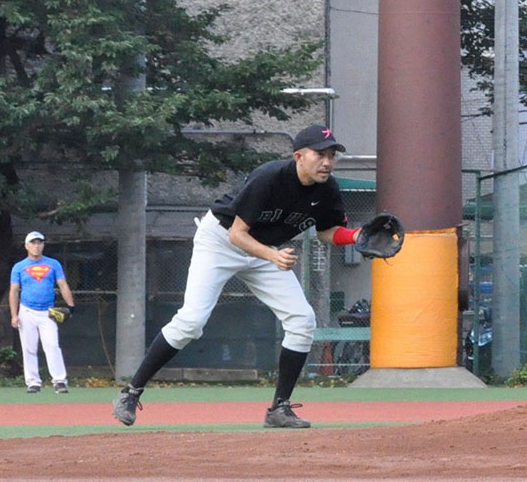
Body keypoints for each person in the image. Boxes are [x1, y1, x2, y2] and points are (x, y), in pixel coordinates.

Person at [113, 124, 365, 429]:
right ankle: (130, 393)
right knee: (191, 322)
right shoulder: (269, 177)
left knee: (302, 320)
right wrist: (272, 256)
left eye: (332, 155)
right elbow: (237, 234)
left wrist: (356, 236)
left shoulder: (328, 190)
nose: (327, 162)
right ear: (299, 156)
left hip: (264, 250)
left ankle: (279, 409)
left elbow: (326, 231)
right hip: (221, 241)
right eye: (320, 154)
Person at [9, 231, 75, 394]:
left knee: (52, 346)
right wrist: (14, 315)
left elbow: (63, 285)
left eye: (39, 243)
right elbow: (14, 291)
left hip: (48, 311)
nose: (36, 246)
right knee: (29, 348)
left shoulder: (53, 264)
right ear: (26, 246)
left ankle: (59, 381)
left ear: (43, 245)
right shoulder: (19, 267)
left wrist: (71, 306)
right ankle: (33, 382)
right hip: (27, 310)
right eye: (33, 243)